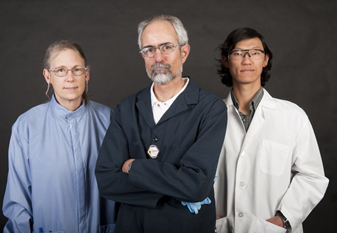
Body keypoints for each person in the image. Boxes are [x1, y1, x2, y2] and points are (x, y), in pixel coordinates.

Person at [95, 15, 227, 233]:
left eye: (166, 47)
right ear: (143, 56)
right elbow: (107, 180)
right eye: (149, 49)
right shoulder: (126, 108)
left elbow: (195, 186)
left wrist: (134, 167)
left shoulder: (211, 108)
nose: (158, 57)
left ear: (183, 52)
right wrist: (175, 188)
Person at [214, 28, 329, 233]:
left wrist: (283, 219)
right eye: (238, 53)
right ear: (225, 60)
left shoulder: (293, 116)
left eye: (255, 52)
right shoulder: (210, 117)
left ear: (265, 59)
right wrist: (209, 214)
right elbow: (193, 173)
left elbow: (312, 177)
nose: (246, 60)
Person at [2, 40, 117, 233]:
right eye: (61, 70)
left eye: (77, 70)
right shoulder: (27, 126)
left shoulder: (110, 119)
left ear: (86, 74)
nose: (70, 78)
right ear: (48, 76)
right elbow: (17, 200)